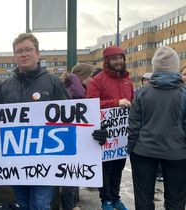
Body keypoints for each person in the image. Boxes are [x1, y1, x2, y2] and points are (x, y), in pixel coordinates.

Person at [0, 33, 107, 210]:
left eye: (28, 50)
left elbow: (72, 119)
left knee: (40, 205)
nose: (23, 54)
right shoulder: (5, 86)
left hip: (45, 162)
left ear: (37, 53)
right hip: (15, 162)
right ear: (15, 56)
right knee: (23, 205)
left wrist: (93, 133)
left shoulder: (52, 83)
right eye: (19, 51)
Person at [128, 46, 186, 210]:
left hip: (143, 152)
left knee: (143, 200)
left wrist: (131, 148)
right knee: (176, 201)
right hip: (177, 154)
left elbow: (134, 124)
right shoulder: (183, 93)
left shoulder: (142, 92)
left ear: (155, 67)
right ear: (175, 66)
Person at [86, 46, 133, 210]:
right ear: (107, 61)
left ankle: (115, 198)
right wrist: (115, 103)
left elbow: (131, 102)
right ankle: (105, 200)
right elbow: (90, 105)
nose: (119, 61)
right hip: (103, 133)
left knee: (119, 166)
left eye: (121, 58)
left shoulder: (128, 80)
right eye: (114, 58)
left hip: (121, 134)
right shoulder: (97, 80)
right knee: (105, 167)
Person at [61, 63, 93, 210]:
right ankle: (70, 206)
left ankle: (71, 204)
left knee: (71, 173)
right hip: (72, 136)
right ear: (82, 76)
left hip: (67, 136)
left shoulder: (70, 87)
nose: (92, 79)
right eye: (90, 76)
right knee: (71, 174)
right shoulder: (77, 91)